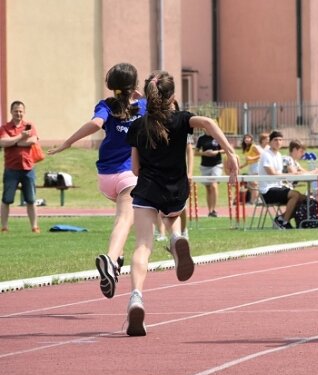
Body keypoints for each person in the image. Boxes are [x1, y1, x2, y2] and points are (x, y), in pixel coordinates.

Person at [124, 71, 238, 336]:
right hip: (175, 190)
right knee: (172, 216)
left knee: (142, 245)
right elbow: (209, 122)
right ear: (173, 96)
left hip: (147, 189)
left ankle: (136, 297)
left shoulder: (138, 126)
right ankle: (176, 239)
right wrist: (230, 153)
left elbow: (135, 168)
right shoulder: (182, 119)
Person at [48, 63, 146, 298]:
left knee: (122, 219)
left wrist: (68, 143)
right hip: (129, 174)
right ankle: (111, 260)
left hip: (105, 175)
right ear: (134, 85)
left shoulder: (106, 105)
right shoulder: (143, 106)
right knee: (125, 220)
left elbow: (95, 124)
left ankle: (117, 257)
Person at [0, 101, 42, 233]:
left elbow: (33, 140)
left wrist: (14, 141)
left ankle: (34, 227)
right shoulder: (5, 127)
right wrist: (21, 137)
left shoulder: (29, 126)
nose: (18, 113)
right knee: (6, 199)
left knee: (31, 199)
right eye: (16, 111)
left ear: (24, 112)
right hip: (11, 168)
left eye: (20, 111)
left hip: (28, 168)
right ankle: (4, 227)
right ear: (11, 112)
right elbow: (3, 142)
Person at [259, 130, 304, 229]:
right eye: (275, 140)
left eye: (280, 140)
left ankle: (280, 219)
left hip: (278, 187)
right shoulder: (266, 154)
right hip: (267, 190)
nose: (278, 142)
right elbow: (271, 172)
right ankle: (284, 222)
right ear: (270, 142)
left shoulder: (279, 155)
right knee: (295, 195)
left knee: (302, 198)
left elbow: (279, 173)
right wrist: (290, 174)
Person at [195, 130, 224, 217]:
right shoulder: (201, 138)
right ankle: (210, 210)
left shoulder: (218, 136)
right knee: (208, 188)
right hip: (205, 166)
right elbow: (195, 152)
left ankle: (214, 210)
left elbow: (225, 149)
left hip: (217, 165)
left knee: (214, 186)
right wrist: (204, 153)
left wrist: (216, 152)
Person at [239, 133, 263, 204]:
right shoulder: (246, 148)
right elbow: (247, 161)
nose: (247, 139)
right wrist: (240, 166)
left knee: (254, 183)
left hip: (256, 166)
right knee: (250, 184)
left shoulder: (253, 147)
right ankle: (255, 199)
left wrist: (252, 158)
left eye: (248, 138)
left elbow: (261, 155)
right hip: (251, 166)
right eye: (245, 138)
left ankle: (255, 200)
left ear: (251, 139)